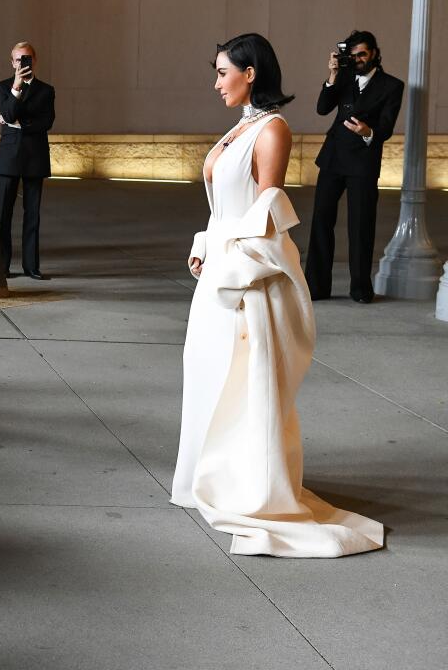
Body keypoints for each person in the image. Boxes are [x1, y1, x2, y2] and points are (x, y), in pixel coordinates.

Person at [172, 33, 383, 557]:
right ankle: (207, 475)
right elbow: (224, 210)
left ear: (252, 73)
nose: (216, 81)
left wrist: (233, 269)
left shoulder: (272, 130)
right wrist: (204, 244)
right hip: (218, 271)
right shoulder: (240, 125)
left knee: (243, 382)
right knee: (207, 371)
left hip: (246, 282)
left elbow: (265, 219)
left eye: (223, 72)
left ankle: (249, 488)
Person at [304, 31, 404, 303]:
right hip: (333, 157)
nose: (358, 60)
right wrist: (333, 76)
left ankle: (360, 288)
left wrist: (367, 130)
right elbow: (322, 109)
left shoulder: (392, 85)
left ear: (373, 52)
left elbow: (386, 127)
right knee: (321, 220)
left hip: (363, 161)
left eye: (362, 54)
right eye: (353, 55)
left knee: (361, 225)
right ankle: (316, 287)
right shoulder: (345, 78)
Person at [0, 41, 56, 280]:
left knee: (33, 215)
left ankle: (31, 266)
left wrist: (19, 124)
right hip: (9, 157)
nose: (22, 63)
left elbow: (46, 122)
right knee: (3, 215)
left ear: (35, 60)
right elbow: (8, 112)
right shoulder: (2, 87)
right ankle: (2, 265)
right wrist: (17, 88)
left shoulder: (46, 90)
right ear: (12, 62)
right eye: (18, 59)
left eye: (27, 58)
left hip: (35, 158)